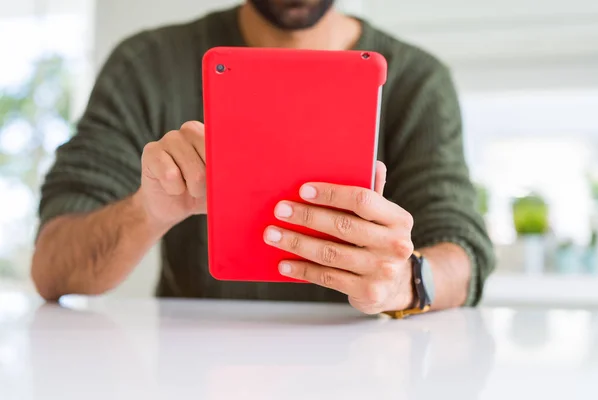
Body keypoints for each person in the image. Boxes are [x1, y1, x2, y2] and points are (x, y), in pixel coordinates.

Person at [31, 0, 495, 316]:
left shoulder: (418, 81)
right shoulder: (146, 64)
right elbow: (52, 267)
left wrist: (406, 282)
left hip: (359, 366)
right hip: (191, 370)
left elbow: (463, 250)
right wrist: (147, 211)